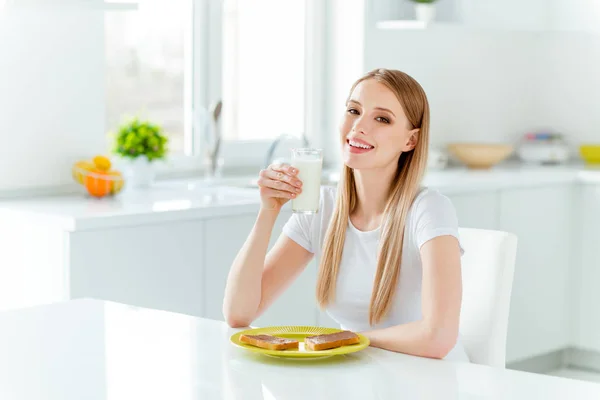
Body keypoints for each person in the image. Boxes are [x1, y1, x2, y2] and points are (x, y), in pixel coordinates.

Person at [223, 68, 469, 362]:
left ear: (410, 141)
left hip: (430, 379)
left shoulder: (428, 210)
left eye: (382, 118)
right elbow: (239, 313)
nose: (359, 126)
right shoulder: (322, 207)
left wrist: (347, 340)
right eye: (354, 110)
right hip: (358, 371)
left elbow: (438, 338)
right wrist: (268, 212)